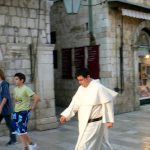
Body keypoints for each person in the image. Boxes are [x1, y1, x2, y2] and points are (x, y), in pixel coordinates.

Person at [60, 68, 118, 150]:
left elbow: (108, 103)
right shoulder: (81, 88)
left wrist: (109, 120)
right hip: (83, 123)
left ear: (87, 77)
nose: (80, 82)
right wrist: (66, 115)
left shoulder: (98, 88)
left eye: (81, 80)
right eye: (78, 80)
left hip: (95, 123)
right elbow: (75, 103)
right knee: (102, 145)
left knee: (83, 147)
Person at [13, 73, 40, 150]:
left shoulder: (26, 89)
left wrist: (33, 106)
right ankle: (31, 144)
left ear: (22, 80)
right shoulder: (15, 89)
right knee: (20, 131)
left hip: (23, 112)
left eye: (17, 79)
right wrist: (16, 103)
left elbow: (36, 98)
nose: (15, 81)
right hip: (16, 112)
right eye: (15, 79)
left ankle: (26, 147)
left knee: (22, 131)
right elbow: (16, 99)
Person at [0, 69, 17, 146]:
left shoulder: (4, 84)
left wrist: (0, 107)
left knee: (9, 125)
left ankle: (13, 140)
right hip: (1, 109)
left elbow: (5, 97)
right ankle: (13, 139)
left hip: (6, 109)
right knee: (10, 124)